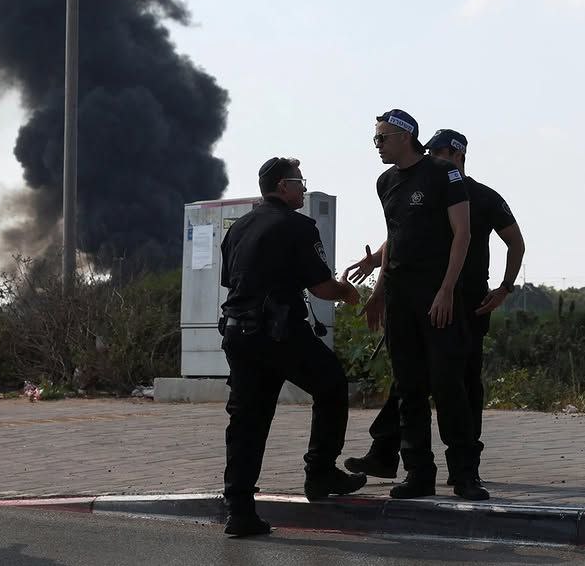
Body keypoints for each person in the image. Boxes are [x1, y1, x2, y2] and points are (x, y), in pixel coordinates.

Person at [344, 129, 525, 488]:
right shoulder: (415, 183)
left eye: (441, 152)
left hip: (468, 301)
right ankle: (391, 455)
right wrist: (378, 279)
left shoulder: (482, 196)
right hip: (420, 298)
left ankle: (465, 467)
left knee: (459, 384)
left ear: (459, 155)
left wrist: (505, 288)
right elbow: (400, 236)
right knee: (409, 383)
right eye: (431, 151)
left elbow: (515, 243)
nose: (434, 157)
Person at [219, 156, 364, 537]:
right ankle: (320, 472)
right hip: (278, 332)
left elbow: (232, 282)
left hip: (237, 333)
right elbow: (322, 287)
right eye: (300, 182)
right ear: (283, 187)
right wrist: (348, 293)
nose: (304, 189)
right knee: (332, 384)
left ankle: (239, 510)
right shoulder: (299, 226)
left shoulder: (239, 227)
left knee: (247, 420)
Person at [360, 110, 486, 501]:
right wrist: (378, 292)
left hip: (437, 297)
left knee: (448, 385)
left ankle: (464, 474)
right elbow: (393, 238)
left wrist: (447, 290)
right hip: (400, 299)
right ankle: (418, 473)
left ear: (405, 136)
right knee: (409, 388)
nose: (377, 145)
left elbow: (462, 234)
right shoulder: (385, 182)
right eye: (375, 139)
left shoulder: (442, 174)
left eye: (382, 138)